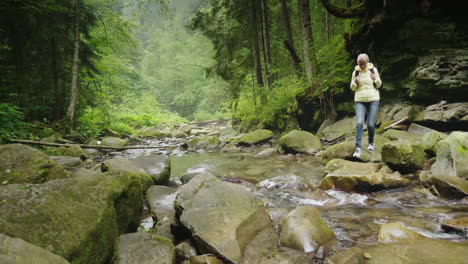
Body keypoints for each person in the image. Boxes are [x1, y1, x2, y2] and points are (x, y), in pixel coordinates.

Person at [350, 53, 382, 158]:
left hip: (373, 99)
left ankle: (371, 142)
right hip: (360, 100)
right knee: (359, 123)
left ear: (367, 62)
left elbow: (379, 84)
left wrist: (375, 79)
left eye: (363, 64)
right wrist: (355, 82)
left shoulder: (374, 70)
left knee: (370, 125)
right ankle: (358, 148)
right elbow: (352, 88)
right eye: (359, 64)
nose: (361, 66)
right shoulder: (355, 72)